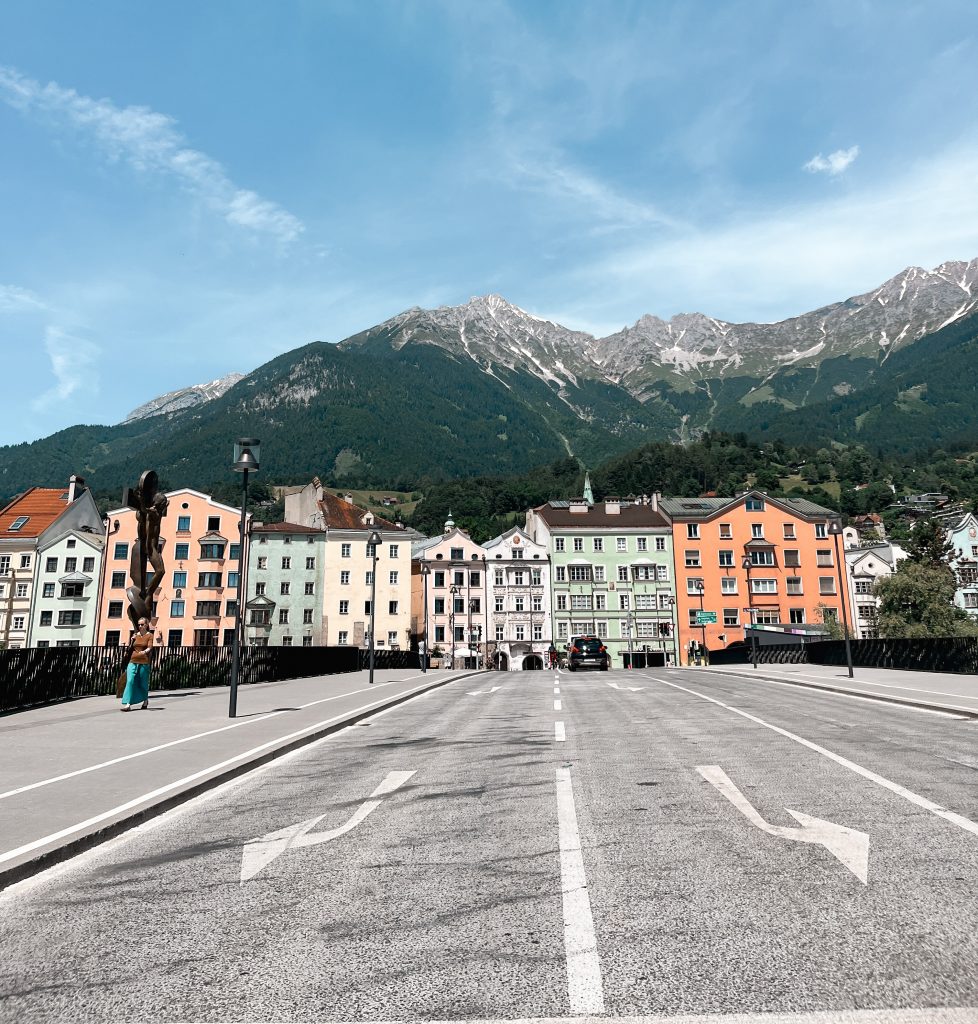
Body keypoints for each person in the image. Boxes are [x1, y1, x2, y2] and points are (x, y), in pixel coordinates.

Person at [120, 617, 154, 711]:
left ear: (146, 625)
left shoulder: (149, 635)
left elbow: (150, 647)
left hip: (144, 661)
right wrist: (132, 640)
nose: (140, 626)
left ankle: (145, 700)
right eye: (139, 624)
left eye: (142, 624)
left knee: (143, 683)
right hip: (133, 660)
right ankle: (127, 704)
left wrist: (145, 652)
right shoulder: (135, 635)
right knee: (130, 681)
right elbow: (130, 647)